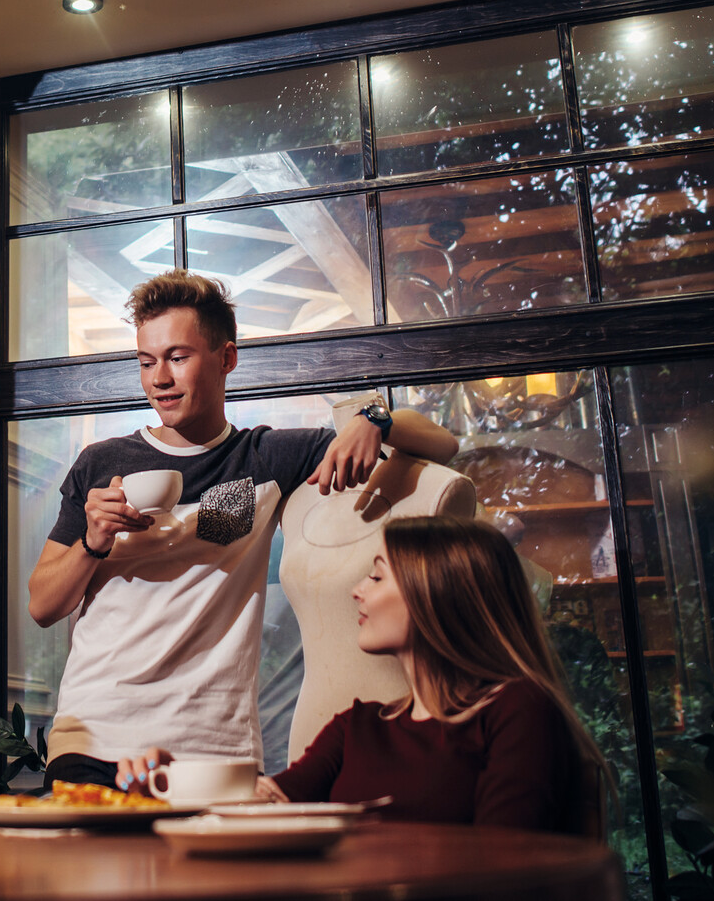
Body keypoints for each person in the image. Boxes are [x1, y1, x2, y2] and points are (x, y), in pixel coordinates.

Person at [27, 270, 458, 789]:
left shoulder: (264, 458)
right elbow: (43, 606)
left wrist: (375, 418)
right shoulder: (102, 463)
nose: (159, 378)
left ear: (226, 358)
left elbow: (444, 445)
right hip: (93, 736)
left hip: (212, 744)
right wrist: (93, 542)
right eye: (146, 361)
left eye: (177, 357)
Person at [261, 516, 600, 831]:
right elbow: (270, 802)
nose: (357, 590)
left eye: (376, 577)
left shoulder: (518, 709)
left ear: (438, 592)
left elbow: (506, 859)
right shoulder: (355, 728)